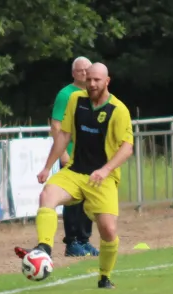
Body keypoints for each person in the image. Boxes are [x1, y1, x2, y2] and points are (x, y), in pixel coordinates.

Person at [15, 63, 134, 289]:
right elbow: (64, 135)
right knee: (47, 194)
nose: (92, 84)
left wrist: (106, 170)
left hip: (102, 178)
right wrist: (47, 167)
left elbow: (127, 147)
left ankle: (104, 277)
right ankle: (44, 249)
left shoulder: (118, 110)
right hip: (75, 171)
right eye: (89, 79)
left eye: (97, 80)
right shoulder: (75, 100)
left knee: (108, 231)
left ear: (107, 81)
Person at [51, 56, 99, 257]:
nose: (85, 73)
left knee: (88, 198)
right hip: (71, 156)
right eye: (81, 70)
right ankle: (71, 241)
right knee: (72, 200)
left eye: (88, 69)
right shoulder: (66, 94)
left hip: (88, 157)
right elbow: (55, 125)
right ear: (73, 73)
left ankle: (84, 239)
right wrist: (62, 153)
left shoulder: (92, 94)